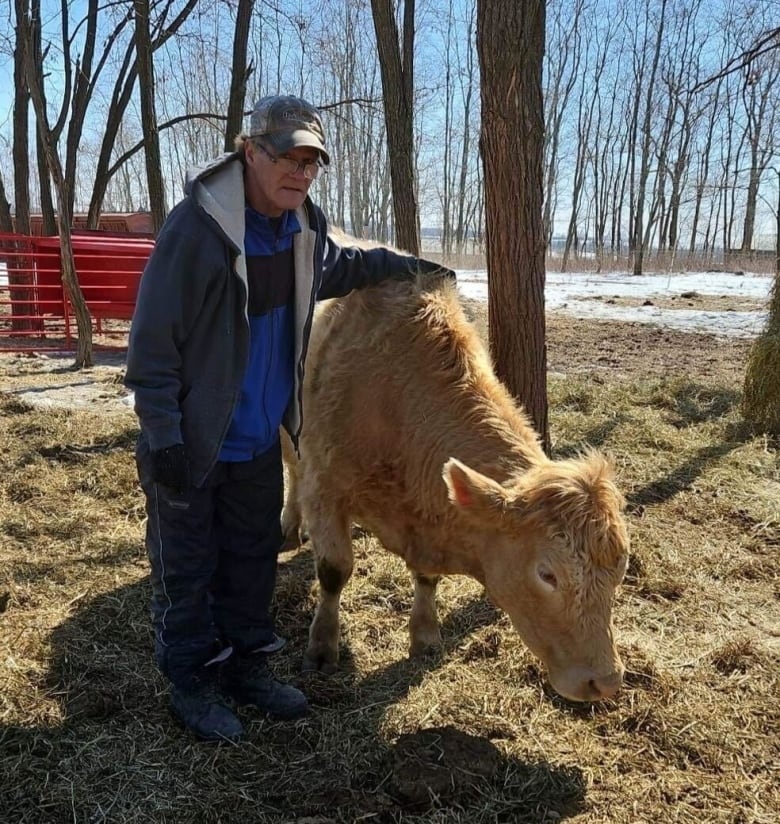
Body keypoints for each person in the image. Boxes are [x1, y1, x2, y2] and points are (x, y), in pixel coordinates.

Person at [124, 94, 454, 742]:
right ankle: (191, 683)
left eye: (311, 162)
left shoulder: (301, 233)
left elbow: (351, 265)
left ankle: (248, 666)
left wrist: (415, 268)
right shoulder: (197, 230)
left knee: (252, 563)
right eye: (287, 157)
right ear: (251, 151)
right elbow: (151, 347)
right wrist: (163, 435)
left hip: (258, 442)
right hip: (193, 442)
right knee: (187, 571)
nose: (299, 173)